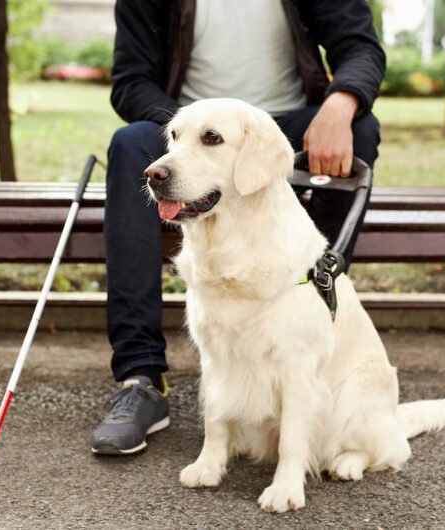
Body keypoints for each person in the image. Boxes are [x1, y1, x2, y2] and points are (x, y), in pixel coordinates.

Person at [90, 0, 386, 455]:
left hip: (290, 124)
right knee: (130, 144)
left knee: (360, 129)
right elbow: (131, 81)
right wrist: (193, 128)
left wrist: (341, 103)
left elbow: (360, 48)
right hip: (188, 124)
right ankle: (142, 378)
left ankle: (309, 346)